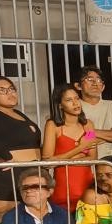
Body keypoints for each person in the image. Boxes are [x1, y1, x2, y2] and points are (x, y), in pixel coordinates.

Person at [0, 77, 43, 223]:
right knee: (9, 221)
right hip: (7, 174)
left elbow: (90, 134)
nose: (10, 93)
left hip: (33, 172)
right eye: (3, 90)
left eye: (12, 89)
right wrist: (9, 157)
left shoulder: (20, 115)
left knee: (33, 219)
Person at [42, 83, 100, 212]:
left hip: (87, 188)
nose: (75, 103)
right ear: (60, 105)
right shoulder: (52, 125)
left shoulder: (89, 125)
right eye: (69, 100)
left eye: (76, 98)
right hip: (64, 190)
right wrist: (80, 148)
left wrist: (61, 161)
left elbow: (93, 158)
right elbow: (47, 161)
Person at [75, 66, 112, 162]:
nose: (95, 83)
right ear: (78, 86)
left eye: (98, 80)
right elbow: (77, 140)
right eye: (89, 79)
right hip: (85, 162)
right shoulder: (75, 107)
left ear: (103, 87)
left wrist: (92, 133)